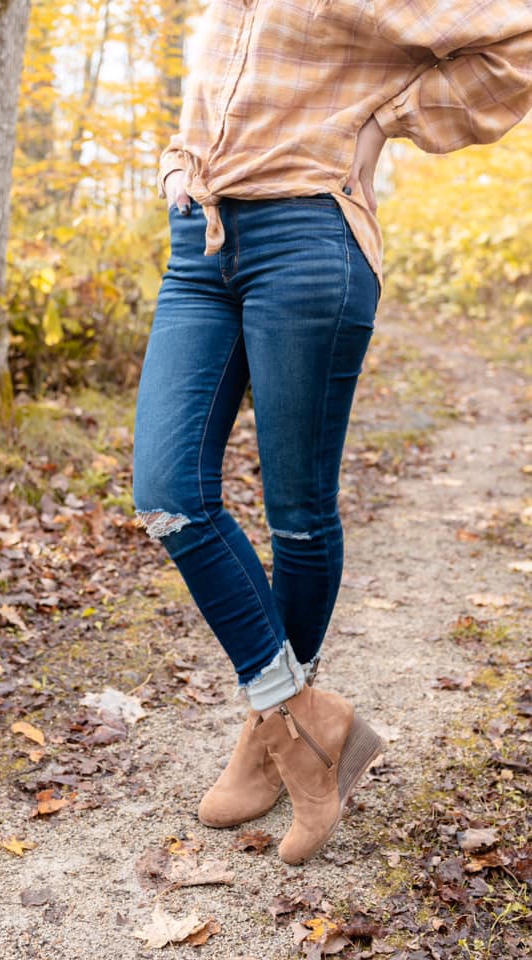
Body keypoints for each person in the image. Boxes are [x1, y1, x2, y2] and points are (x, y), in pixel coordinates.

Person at [132, 0, 532, 865]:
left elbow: (515, 40)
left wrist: (387, 121)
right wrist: (175, 170)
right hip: (198, 244)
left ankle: (267, 733)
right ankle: (304, 722)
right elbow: (208, 109)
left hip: (309, 238)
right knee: (169, 493)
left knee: (298, 513)